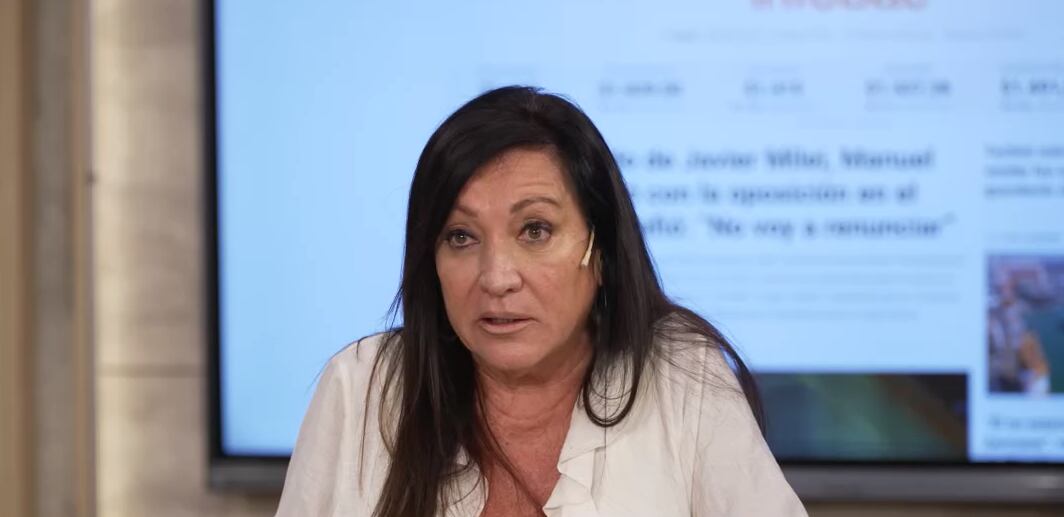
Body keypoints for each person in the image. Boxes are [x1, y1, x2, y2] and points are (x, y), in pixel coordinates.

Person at [275, 86, 806, 516]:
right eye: (460, 236)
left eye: (535, 230)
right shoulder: (362, 388)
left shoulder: (681, 380)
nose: (496, 278)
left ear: (600, 250)